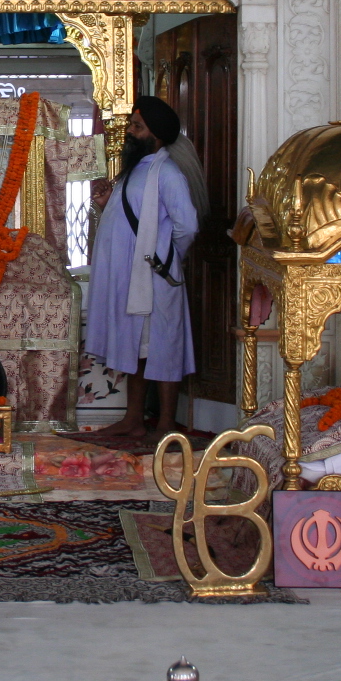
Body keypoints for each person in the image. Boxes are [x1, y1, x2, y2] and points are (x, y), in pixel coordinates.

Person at [84, 95, 208, 439]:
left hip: (155, 278)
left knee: (163, 348)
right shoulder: (136, 169)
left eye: (137, 127)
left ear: (156, 134)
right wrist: (107, 203)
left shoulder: (167, 172)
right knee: (139, 350)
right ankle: (134, 419)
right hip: (133, 279)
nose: (130, 132)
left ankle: (166, 424)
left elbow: (187, 226)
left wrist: (164, 260)